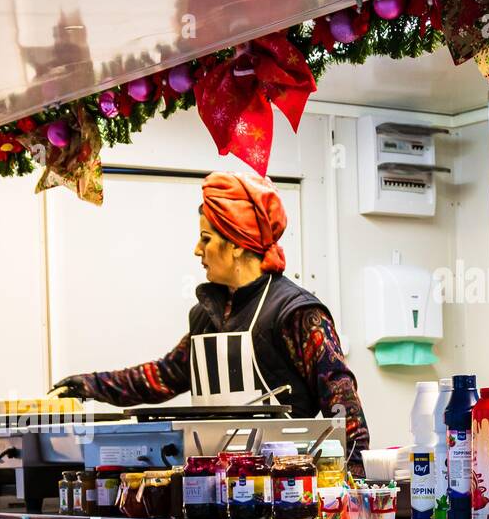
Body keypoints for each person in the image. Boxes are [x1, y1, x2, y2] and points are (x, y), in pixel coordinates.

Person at [53, 171, 369, 463]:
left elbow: (344, 405)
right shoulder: (207, 316)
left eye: (206, 239)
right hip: (212, 484)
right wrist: (88, 385)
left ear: (235, 244)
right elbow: (163, 377)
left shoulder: (297, 313)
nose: (196, 250)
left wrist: (354, 485)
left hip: (285, 487)